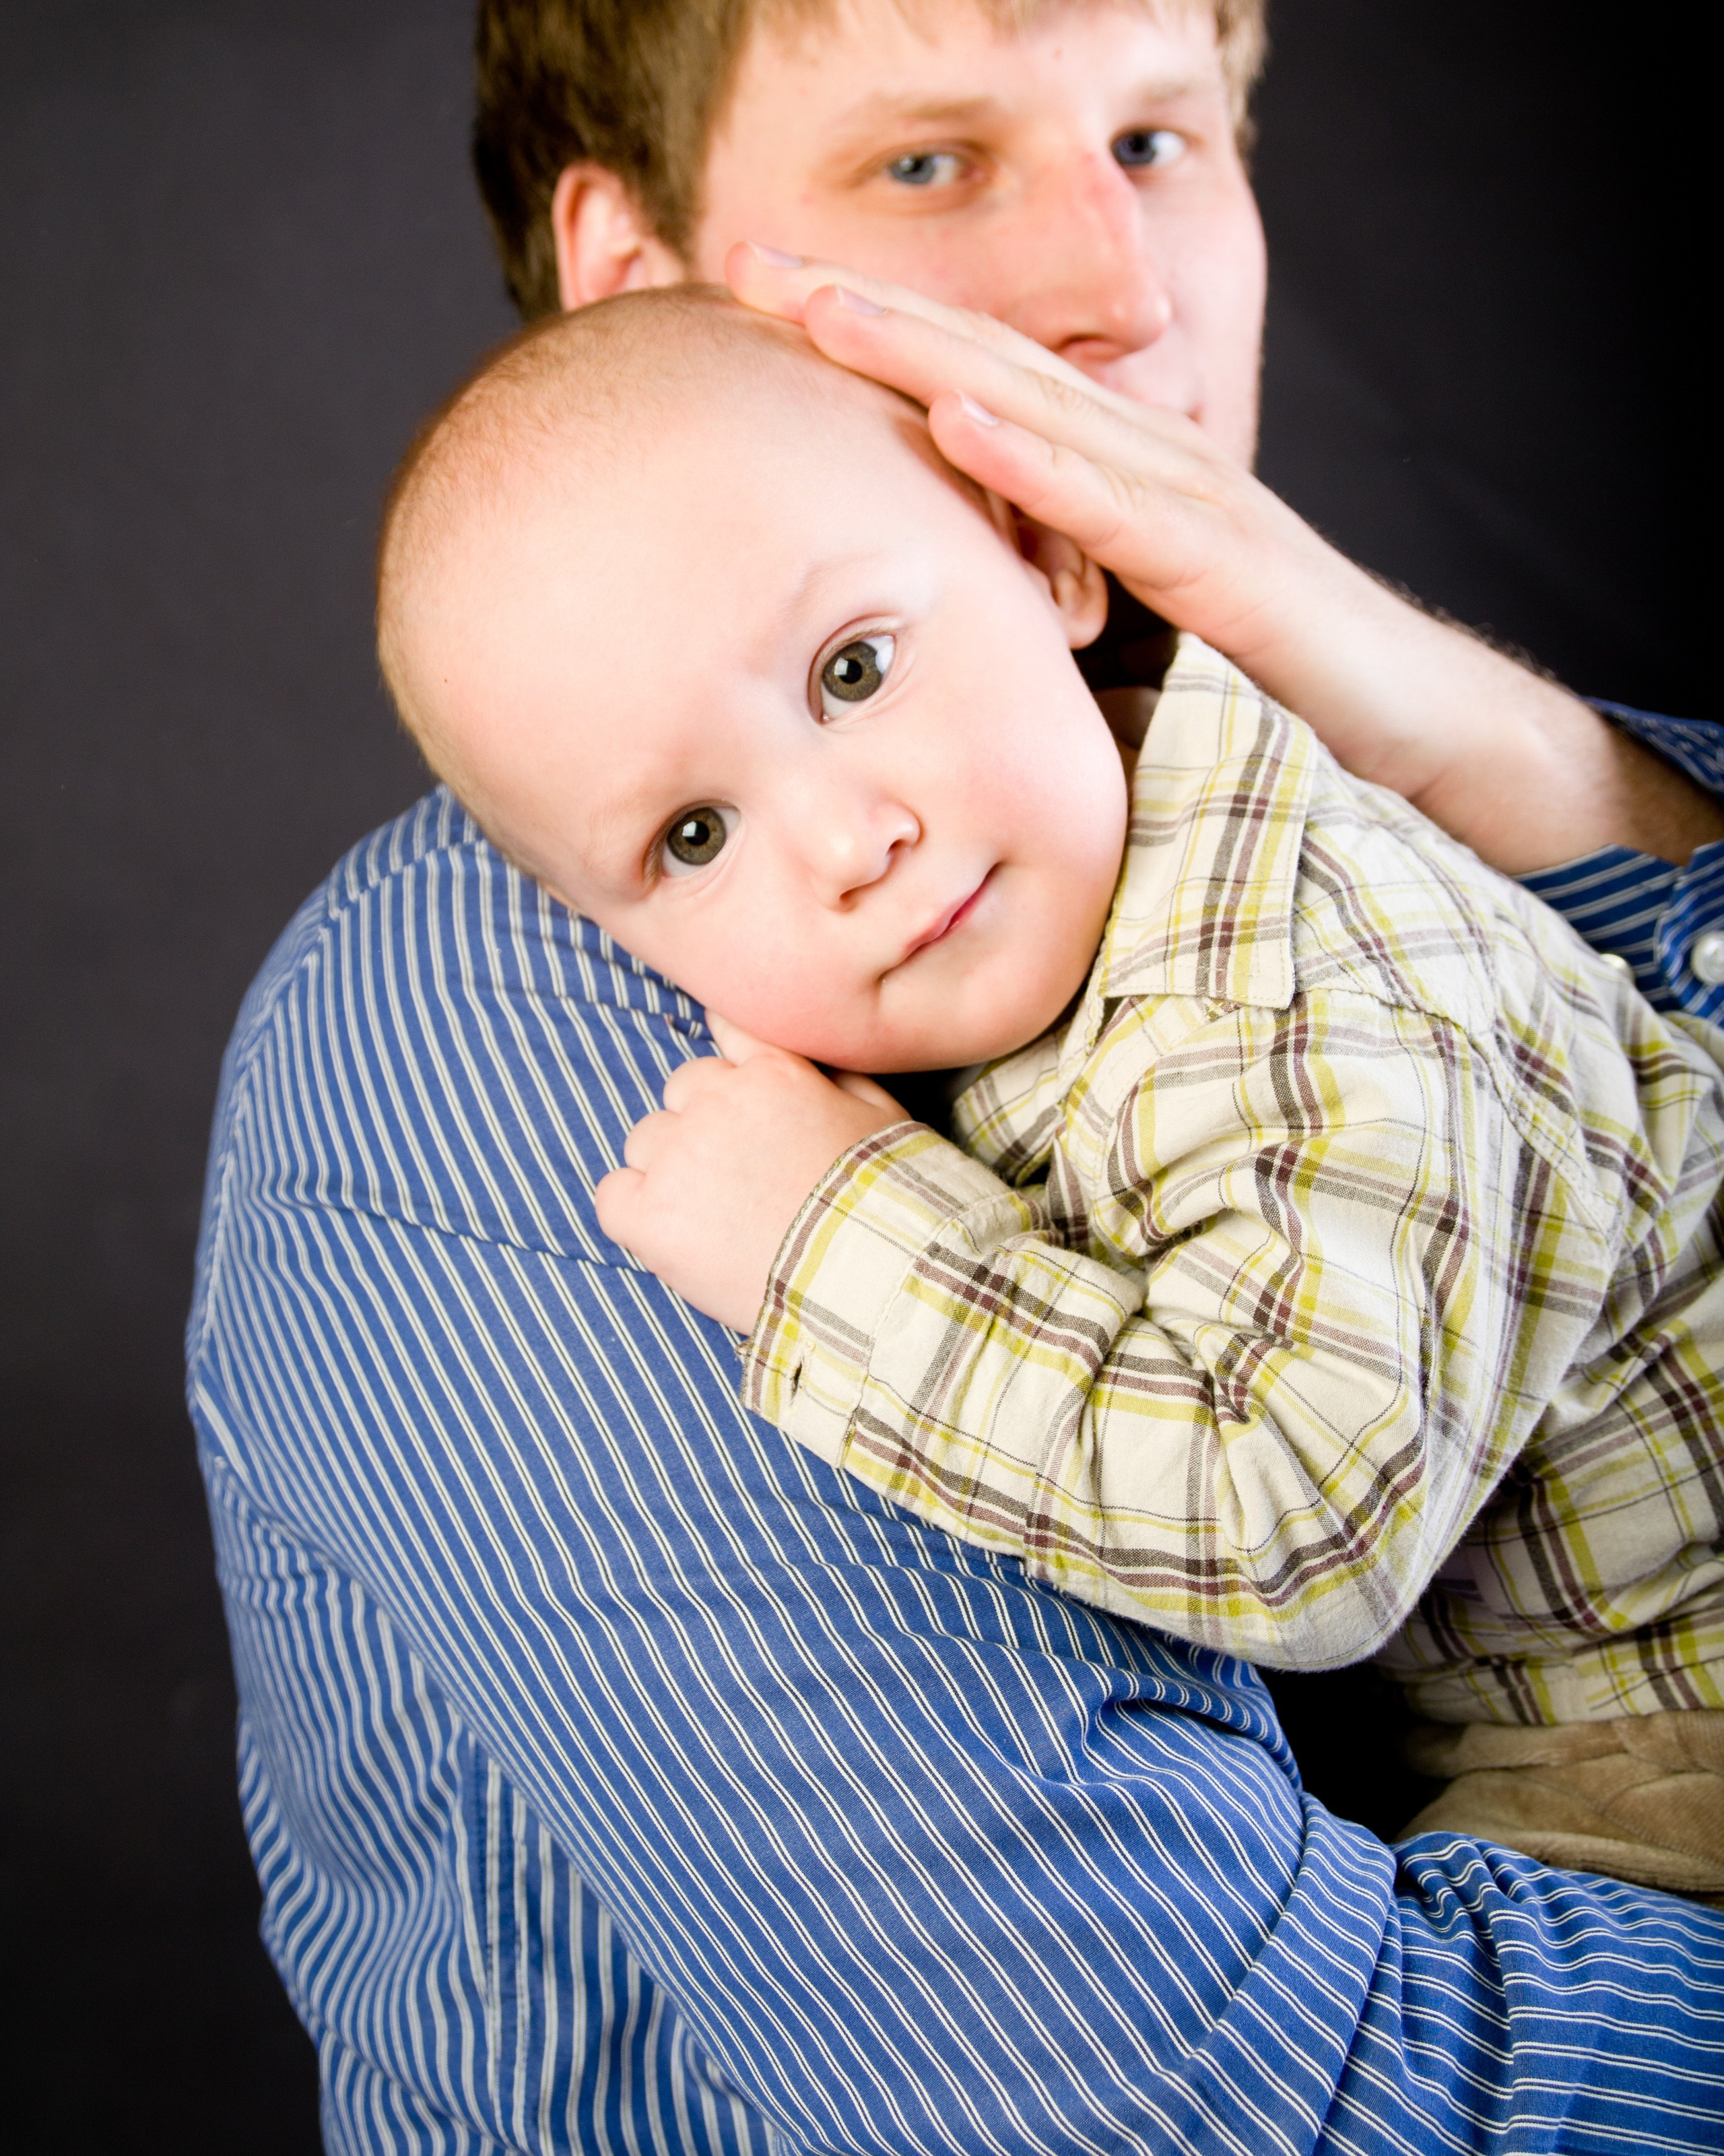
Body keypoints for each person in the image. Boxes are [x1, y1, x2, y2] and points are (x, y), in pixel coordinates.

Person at [193, 0, 1724, 2156]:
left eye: (1160, 131)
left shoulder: (1304, 810)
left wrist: (1533, 780)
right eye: (930, 163)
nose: (1116, 280)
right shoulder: (531, 1008)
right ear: (632, 265)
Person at [376, 284, 1724, 1899]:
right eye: (693, 838)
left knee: (1348, 2053)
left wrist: (835, 1244)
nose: (842, 842)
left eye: (855, 671)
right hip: (1529, 1707)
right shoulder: (1029, 953)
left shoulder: (1327, 983)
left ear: (1047, 564)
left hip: (1668, 1704)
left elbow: (1299, 1523)